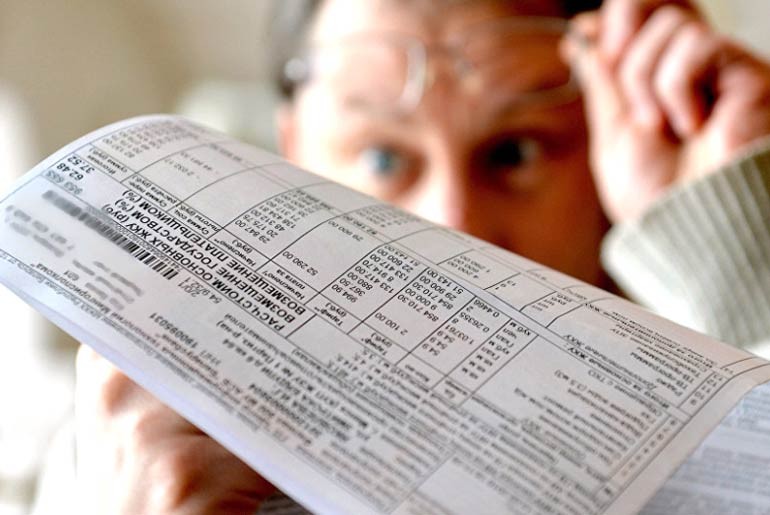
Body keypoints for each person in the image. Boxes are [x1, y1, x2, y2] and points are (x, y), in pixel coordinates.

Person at [69, 0, 770, 513]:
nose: (454, 225)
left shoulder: (731, 297)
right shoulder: (136, 443)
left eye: (514, 152)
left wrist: (735, 253)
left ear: (606, 143)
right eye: (383, 158)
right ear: (292, 154)